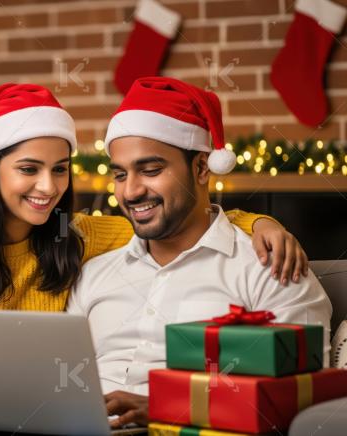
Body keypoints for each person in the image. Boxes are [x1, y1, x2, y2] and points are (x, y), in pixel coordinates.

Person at [0, 83, 308, 427]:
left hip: (42, 420)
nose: (48, 187)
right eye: (28, 169)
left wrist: (256, 222)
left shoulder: (74, 235)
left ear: (202, 167)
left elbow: (177, 224)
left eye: (60, 169)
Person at [66, 76, 332, 428]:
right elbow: (57, 380)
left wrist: (165, 406)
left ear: (202, 167)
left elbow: (303, 405)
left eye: (151, 170)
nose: (130, 192)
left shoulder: (270, 268)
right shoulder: (92, 273)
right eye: (120, 174)